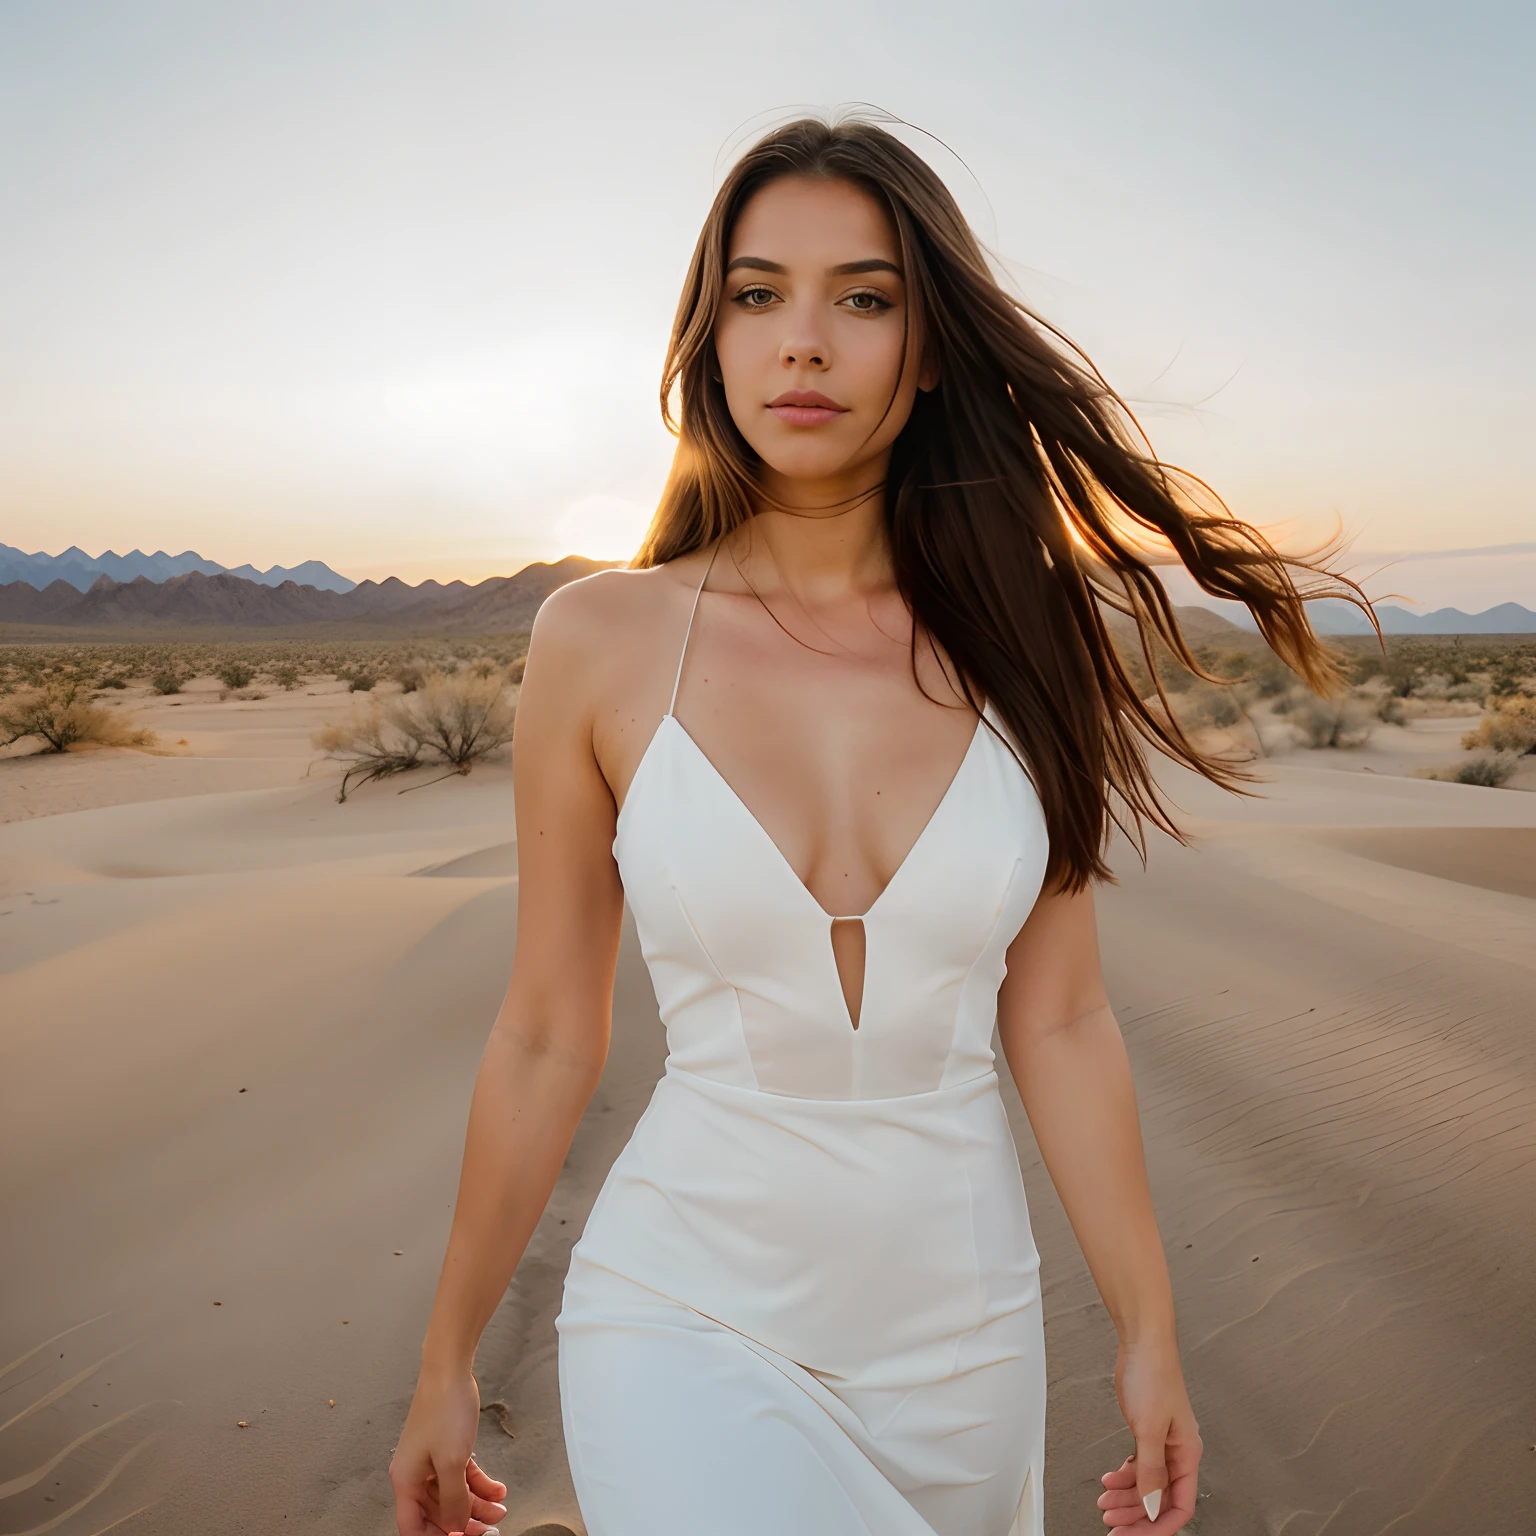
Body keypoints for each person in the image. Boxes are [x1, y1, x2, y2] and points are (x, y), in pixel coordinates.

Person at [389, 113, 1363, 1536]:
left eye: (864, 298)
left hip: (965, 1353)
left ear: (930, 344)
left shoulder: (1029, 634)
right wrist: (444, 1360)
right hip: (682, 1314)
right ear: (708, 338)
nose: (802, 343)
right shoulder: (601, 638)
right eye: (756, 293)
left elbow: (1066, 1022)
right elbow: (548, 1027)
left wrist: (1149, 1328)